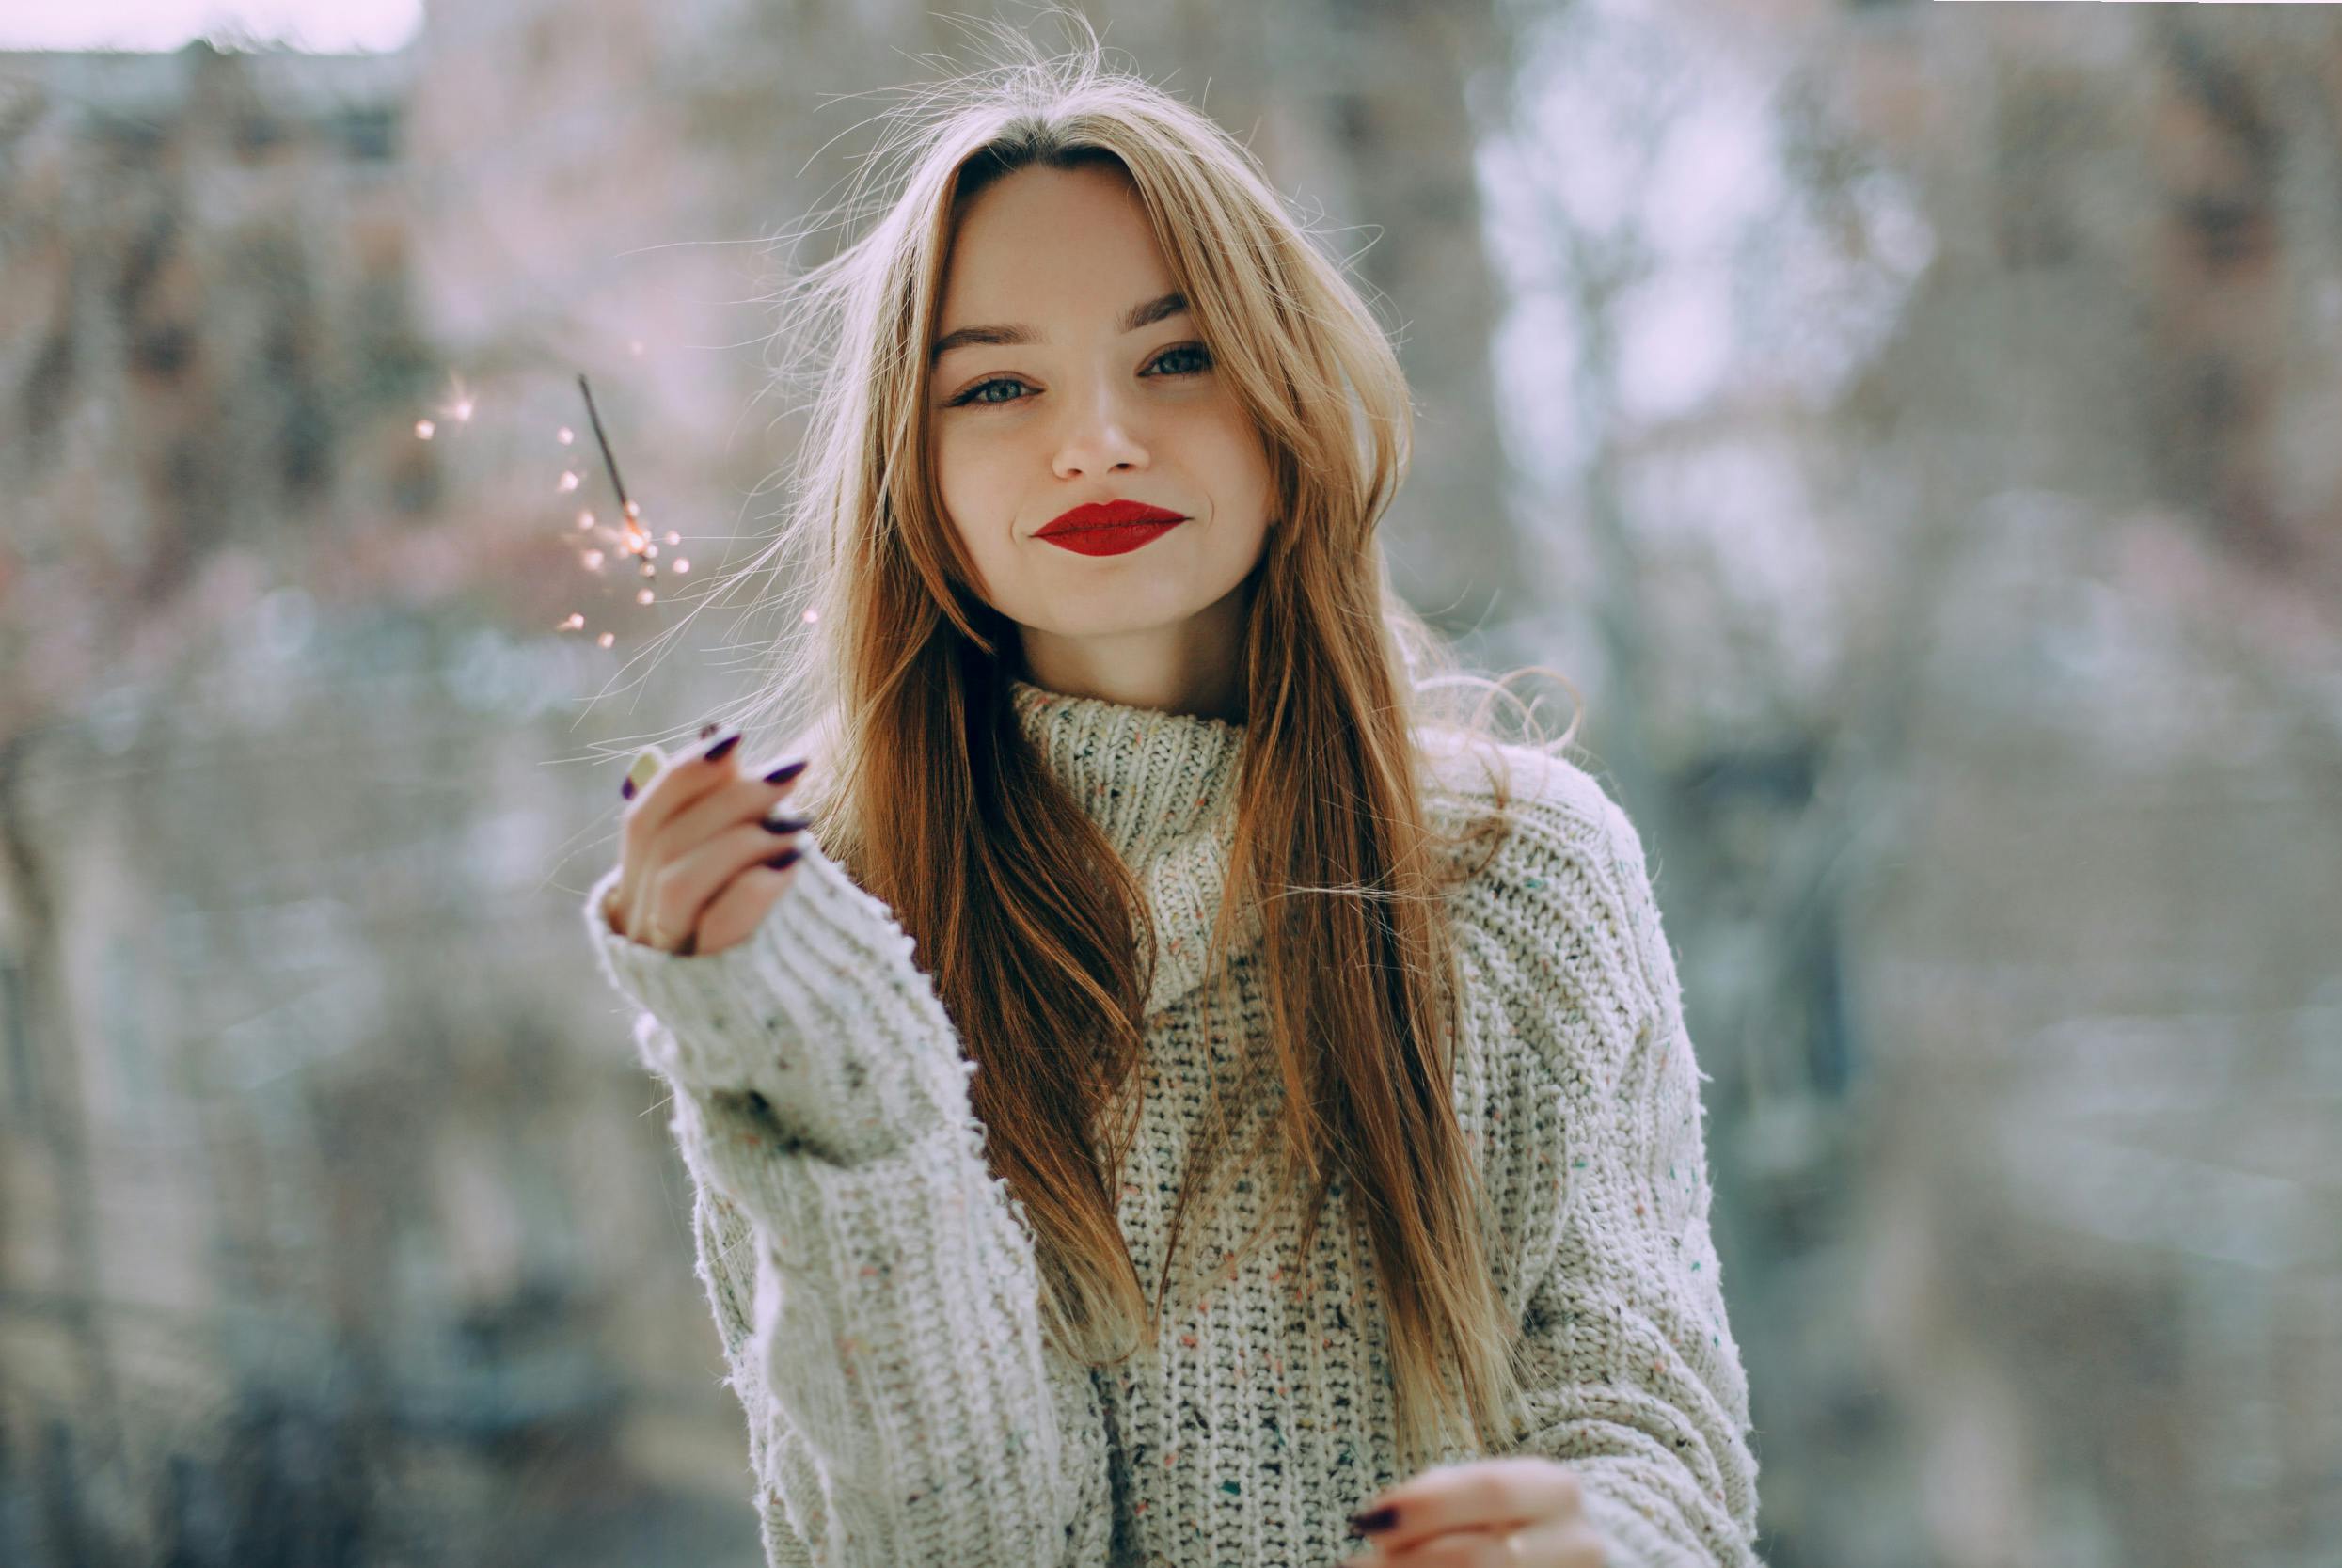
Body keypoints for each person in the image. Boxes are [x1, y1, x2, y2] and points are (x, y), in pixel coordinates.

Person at [583, 21, 1761, 1568]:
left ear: (1287, 399)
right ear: (908, 473)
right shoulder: (819, 939)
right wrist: (834, 1066)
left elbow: (1658, 1438)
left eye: (1177, 357)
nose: (1097, 443)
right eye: (997, 387)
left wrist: (1596, 1547)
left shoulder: (1521, 871)